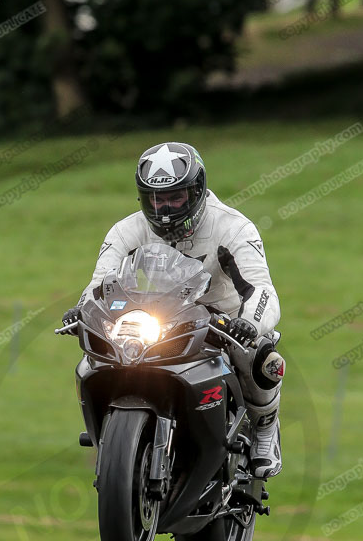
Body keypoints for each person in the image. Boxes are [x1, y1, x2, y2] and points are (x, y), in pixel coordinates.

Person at [62, 142, 285, 478]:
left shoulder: (234, 228)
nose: (164, 208)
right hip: (156, 315)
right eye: (156, 199)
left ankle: (265, 428)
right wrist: (81, 310)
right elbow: (98, 284)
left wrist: (250, 324)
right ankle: (109, 433)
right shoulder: (126, 231)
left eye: (175, 197)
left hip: (219, 323)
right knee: (93, 354)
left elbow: (262, 290)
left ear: (196, 191)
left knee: (261, 357)